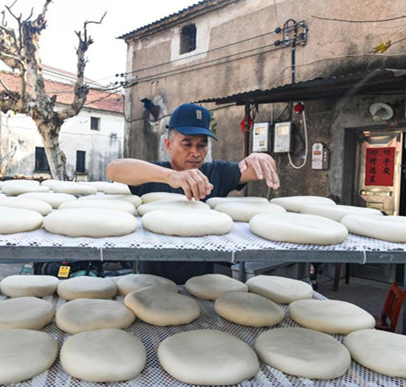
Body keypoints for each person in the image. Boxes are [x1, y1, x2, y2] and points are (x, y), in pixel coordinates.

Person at [106, 103, 280, 283]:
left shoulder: (216, 173)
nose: (195, 153)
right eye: (187, 144)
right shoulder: (153, 174)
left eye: (202, 145)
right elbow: (113, 169)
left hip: (203, 283)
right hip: (152, 280)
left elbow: (259, 170)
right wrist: (170, 176)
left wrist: (261, 157)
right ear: (168, 144)